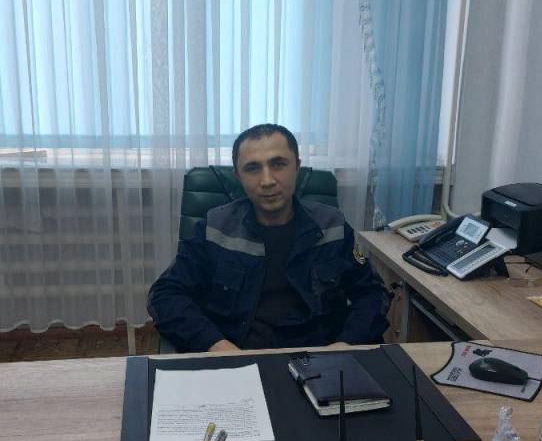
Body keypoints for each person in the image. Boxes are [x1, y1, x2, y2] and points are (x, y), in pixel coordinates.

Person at [148, 124, 389, 352]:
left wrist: (346, 345)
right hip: (238, 356)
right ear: (238, 175)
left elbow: (372, 293)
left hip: (318, 357)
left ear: (297, 166)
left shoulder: (332, 226)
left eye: (278, 164)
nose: (267, 181)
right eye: (253, 168)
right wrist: (216, 345)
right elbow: (165, 295)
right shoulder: (214, 229)